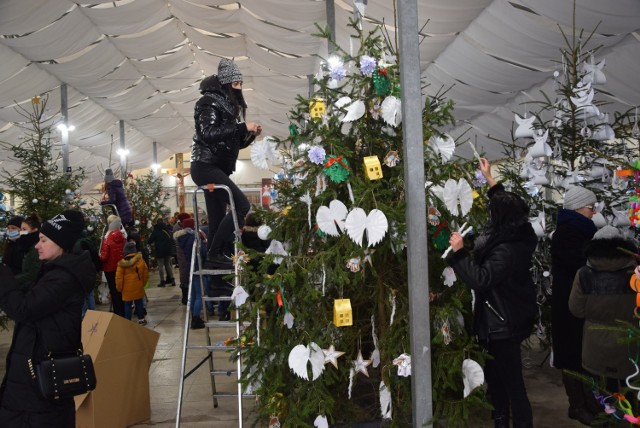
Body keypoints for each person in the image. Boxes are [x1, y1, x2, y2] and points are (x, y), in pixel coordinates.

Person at [447, 158, 537, 428]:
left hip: (502, 325)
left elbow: (481, 279)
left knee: (511, 385)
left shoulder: (505, 250)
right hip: (508, 320)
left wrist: (460, 252)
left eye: (492, 213)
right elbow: (510, 206)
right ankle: (500, 421)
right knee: (497, 381)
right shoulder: (524, 234)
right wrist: (490, 179)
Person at [0, 210, 96, 427]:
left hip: (38, 386)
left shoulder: (63, 278)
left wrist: (3, 275)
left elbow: (24, 309)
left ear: (60, 243)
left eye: (43, 240)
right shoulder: (54, 272)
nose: (37, 245)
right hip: (33, 378)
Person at [190, 58, 261, 269]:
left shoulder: (227, 106)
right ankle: (215, 251)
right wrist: (241, 127)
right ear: (226, 83)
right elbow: (208, 133)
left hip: (215, 167)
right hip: (205, 166)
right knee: (242, 205)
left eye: (240, 84)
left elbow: (232, 143)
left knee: (217, 217)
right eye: (235, 84)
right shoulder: (208, 102)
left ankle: (214, 263)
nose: (239, 88)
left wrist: (250, 134)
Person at [569, 225, 637, 396]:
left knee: (603, 399)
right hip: (629, 346)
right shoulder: (635, 274)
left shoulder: (584, 274)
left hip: (595, 345)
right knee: (631, 397)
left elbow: (576, 309)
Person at [550, 185, 598, 425]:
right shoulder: (568, 233)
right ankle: (577, 405)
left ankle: (587, 402)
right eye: (591, 208)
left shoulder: (578, 230)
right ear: (579, 208)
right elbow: (579, 264)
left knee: (580, 352)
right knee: (571, 354)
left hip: (576, 302)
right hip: (569, 305)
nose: (594, 212)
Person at [177, 217, 207, 329]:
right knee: (199, 295)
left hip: (189, 267)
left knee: (193, 295)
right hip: (197, 267)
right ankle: (196, 319)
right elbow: (203, 252)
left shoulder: (183, 237)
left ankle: (193, 316)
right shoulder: (194, 238)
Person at [116, 242, 149, 325]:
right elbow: (146, 274)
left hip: (126, 289)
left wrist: (119, 288)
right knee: (139, 303)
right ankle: (141, 319)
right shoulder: (141, 261)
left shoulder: (122, 264)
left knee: (127, 304)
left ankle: (128, 322)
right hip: (138, 286)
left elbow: (119, 278)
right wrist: (142, 284)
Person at [100, 214, 126, 317]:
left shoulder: (107, 238)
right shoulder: (123, 237)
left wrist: (99, 257)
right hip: (122, 267)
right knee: (121, 290)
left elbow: (104, 256)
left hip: (110, 269)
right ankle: (124, 312)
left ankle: (118, 314)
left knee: (114, 292)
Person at [15, 213, 42, 289]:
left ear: (35, 230)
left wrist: (12, 280)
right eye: (21, 229)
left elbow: (33, 274)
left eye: (24, 229)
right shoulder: (26, 246)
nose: (21, 232)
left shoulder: (36, 248)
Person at [148, 217, 176, 287]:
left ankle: (162, 281)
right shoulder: (166, 229)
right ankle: (172, 280)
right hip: (168, 250)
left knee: (160, 266)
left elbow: (149, 241)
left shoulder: (156, 230)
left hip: (160, 250)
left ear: (157, 223)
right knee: (168, 265)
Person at [172, 212, 192, 305]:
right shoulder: (181, 231)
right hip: (183, 255)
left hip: (183, 255)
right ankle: (185, 297)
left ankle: (186, 296)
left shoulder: (178, 228)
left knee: (184, 274)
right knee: (185, 275)